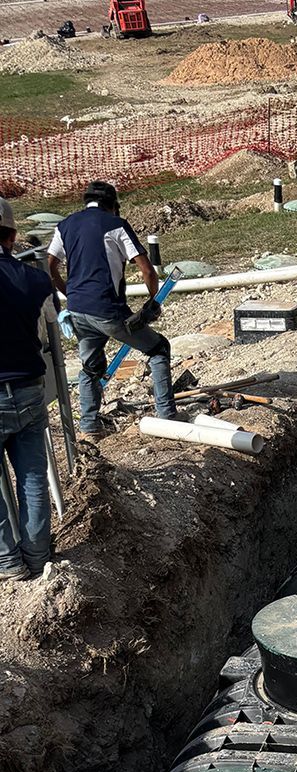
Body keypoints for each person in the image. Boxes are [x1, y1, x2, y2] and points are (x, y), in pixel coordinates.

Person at [47, 179, 177, 438]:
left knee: (91, 367)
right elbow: (146, 269)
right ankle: (167, 415)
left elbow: (50, 265)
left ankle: (89, 427)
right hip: (107, 308)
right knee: (159, 348)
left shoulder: (65, 225)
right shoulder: (116, 225)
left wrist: (69, 293)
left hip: (78, 310)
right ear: (113, 205)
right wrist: (153, 301)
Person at [0, 196, 54, 582]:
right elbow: (49, 322)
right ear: (12, 235)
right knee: (33, 476)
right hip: (29, 389)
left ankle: (7, 561)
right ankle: (37, 557)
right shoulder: (34, 279)